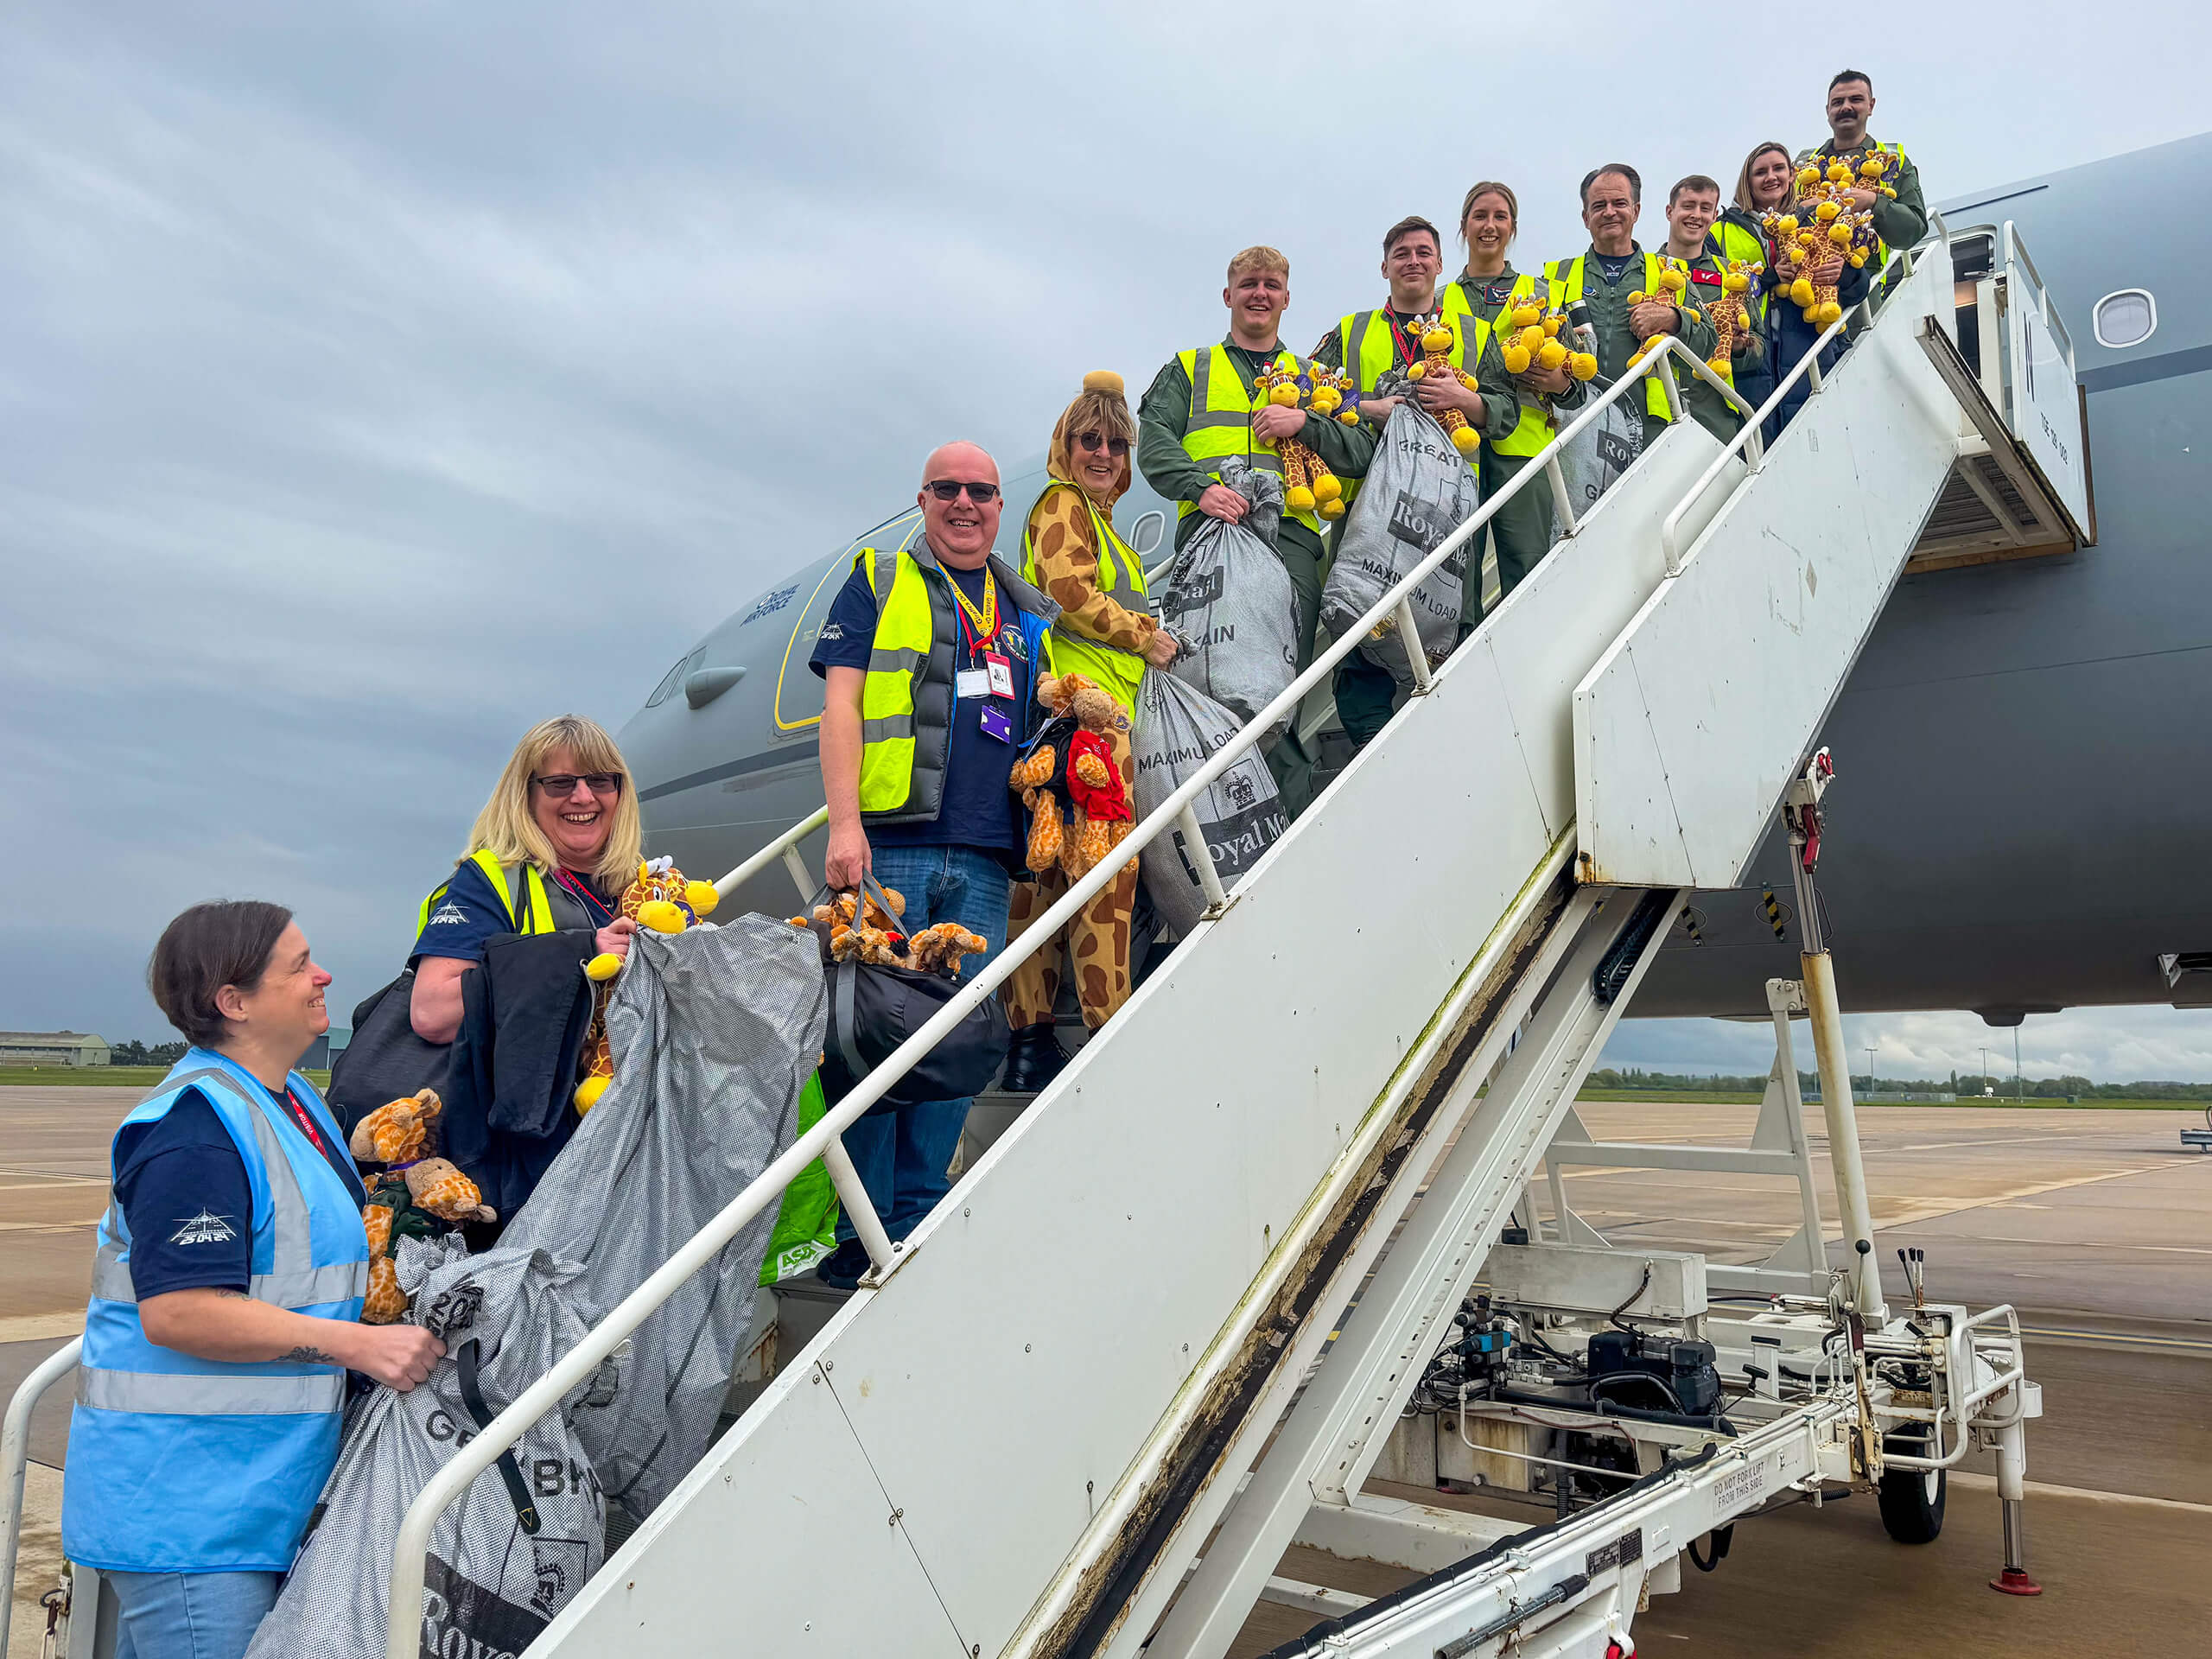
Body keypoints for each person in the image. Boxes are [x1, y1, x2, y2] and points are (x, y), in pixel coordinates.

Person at [65, 901, 444, 1659]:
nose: (323, 974)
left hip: (254, 1494)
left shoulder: (291, 1100)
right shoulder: (193, 1130)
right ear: (234, 1003)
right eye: (299, 965)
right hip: (192, 1512)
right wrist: (358, 1347)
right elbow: (181, 1314)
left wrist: (369, 1153)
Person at [810, 440, 1058, 1288]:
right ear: (923, 500)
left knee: (954, 1045)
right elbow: (839, 704)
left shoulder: (1024, 612)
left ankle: (914, 1218)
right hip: (893, 847)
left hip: (987, 860)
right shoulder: (880, 579)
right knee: (877, 1040)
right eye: (946, 489)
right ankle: (864, 1233)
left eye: (980, 492)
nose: (964, 504)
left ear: (999, 508)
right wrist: (846, 825)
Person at [1137, 246, 1376, 816]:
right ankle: (1223, 817)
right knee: (1209, 684)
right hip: (1207, 541)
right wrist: (1200, 487)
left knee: (1278, 693)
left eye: (1271, 285)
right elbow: (1152, 442)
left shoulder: (1315, 377)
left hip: (1289, 543)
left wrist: (1308, 422)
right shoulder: (1188, 369)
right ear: (1229, 295)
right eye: (1248, 284)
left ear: (1287, 299)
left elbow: (1363, 450)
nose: (1259, 294)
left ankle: (1282, 828)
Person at [1001, 375, 1177, 1094]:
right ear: (1065, 447)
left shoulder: (1104, 527)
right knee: (1108, 875)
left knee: (1054, 877)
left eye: (1115, 443)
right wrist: (1148, 636)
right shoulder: (1061, 504)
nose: (1103, 453)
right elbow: (1068, 594)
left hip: (1087, 722)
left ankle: (1031, 1040)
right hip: (1086, 722)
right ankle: (1106, 1029)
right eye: (1090, 440)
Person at [1310, 214, 1518, 747]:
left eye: (1424, 253)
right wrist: (1367, 405)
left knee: (1453, 622)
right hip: (1369, 507)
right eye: (1402, 253)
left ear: (1440, 265)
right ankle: (1368, 745)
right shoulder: (1353, 331)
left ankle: (1451, 737)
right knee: (1362, 627)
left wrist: (1466, 401)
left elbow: (1507, 410)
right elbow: (1311, 392)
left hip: (1447, 512)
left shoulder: (1473, 332)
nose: (1413, 261)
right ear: (1385, 267)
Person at [408, 715, 645, 1045]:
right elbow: (432, 1014)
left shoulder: (645, 885)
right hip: (531, 1093)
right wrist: (579, 953)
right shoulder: (491, 879)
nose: (582, 797)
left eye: (600, 781)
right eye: (560, 783)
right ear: (526, 796)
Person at [1440, 181, 1582, 608]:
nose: (1489, 226)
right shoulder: (1439, 299)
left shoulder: (1541, 293)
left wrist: (1559, 381)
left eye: (1500, 217)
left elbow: (1576, 386)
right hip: (1454, 453)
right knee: (1454, 579)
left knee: (1528, 572)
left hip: (1524, 450)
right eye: (1480, 216)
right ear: (1463, 226)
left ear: (1513, 227)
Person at [1545, 165, 1717, 450]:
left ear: (1636, 211)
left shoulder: (1669, 271)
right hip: (1575, 428)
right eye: (1599, 205)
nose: (1610, 211)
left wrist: (1674, 319)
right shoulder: (1556, 275)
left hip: (1653, 431)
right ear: (1586, 218)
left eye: (1619, 203)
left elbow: (1709, 341)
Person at [1800, 69, 1927, 276]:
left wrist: (1875, 202)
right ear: (1827, 110)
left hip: (1865, 287)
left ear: (1871, 106)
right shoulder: (1805, 165)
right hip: (1806, 280)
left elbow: (1914, 230)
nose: (1846, 107)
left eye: (1856, 99)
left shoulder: (1893, 162)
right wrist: (1802, 209)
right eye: (1838, 102)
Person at [1661, 175, 1758, 442]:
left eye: (1705, 208)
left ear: (1714, 216)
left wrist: (1740, 346)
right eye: (1688, 206)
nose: (1696, 215)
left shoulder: (1733, 275)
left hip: (1716, 417)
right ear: (1670, 212)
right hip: (1657, 416)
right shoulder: (1645, 269)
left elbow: (1760, 347)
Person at [1719, 142, 1796, 413]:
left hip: (1804, 340)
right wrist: (1770, 277)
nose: (1771, 177)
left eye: (1778, 169)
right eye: (1760, 172)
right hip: (1750, 346)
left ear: (1792, 175)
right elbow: (1716, 293)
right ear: (1747, 182)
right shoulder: (1721, 231)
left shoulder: (1811, 222)